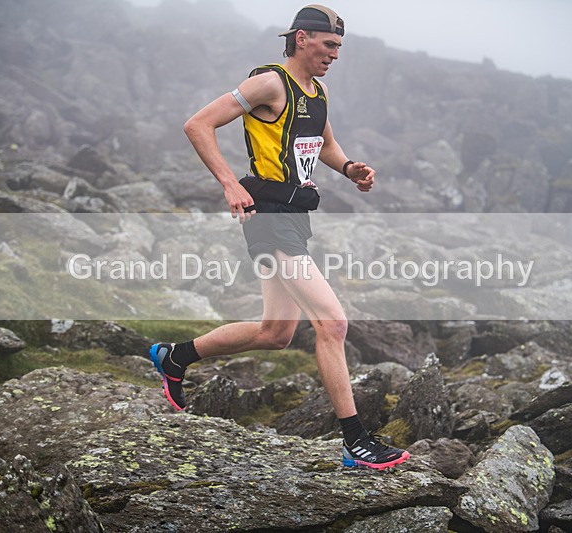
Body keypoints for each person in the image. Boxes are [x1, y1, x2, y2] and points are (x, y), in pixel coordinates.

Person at [150, 4, 409, 470]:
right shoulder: (269, 82)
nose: (335, 54)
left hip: (293, 217)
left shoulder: (318, 90)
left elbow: (323, 145)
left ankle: (174, 358)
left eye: (339, 47)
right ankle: (355, 441)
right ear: (302, 38)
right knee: (332, 324)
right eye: (329, 45)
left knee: (275, 333)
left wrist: (350, 169)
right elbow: (198, 123)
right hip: (266, 214)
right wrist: (230, 183)